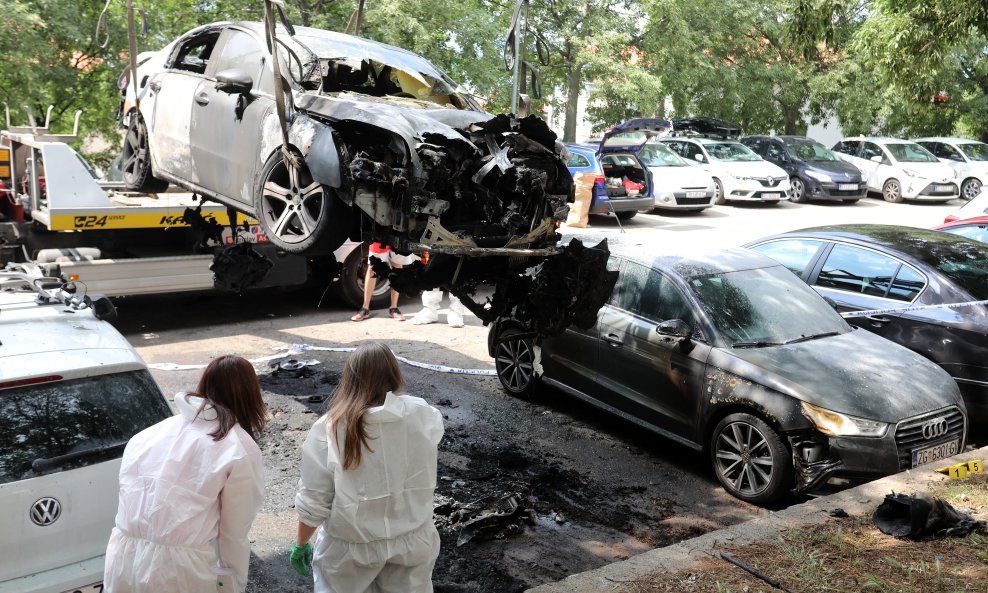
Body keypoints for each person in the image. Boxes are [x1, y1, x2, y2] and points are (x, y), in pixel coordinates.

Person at [103, 355, 267, 593]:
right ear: (251, 396)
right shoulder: (237, 447)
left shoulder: (148, 435)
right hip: (178, 574)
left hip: (122, 561)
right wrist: (233, 584)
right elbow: (233, 534)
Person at [291, 342, 444, 593]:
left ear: (350, 379)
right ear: (394, 373)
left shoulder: (331, 427)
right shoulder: (422, 414)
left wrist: (301, 543)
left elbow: (314, 498)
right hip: (412, 543)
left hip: (348, 554)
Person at [352, 242, 413, 322]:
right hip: (381, 233)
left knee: (397, 266)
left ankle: (394, 308)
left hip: (400, 234)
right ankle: (365, 308)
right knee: (373, 267)